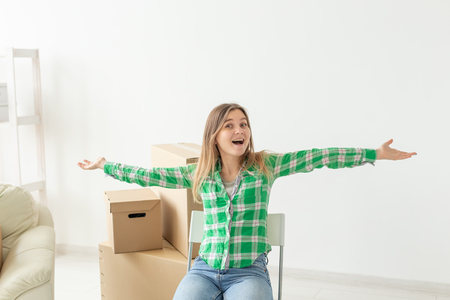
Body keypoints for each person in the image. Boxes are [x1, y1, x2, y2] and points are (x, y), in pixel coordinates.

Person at [78, 103, 416, 300]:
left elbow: (318, 156)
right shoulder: (199, 174)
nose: (240, 130)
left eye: (244, 124)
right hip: (205, 270)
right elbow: (148, 175)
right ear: (215, 136)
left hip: (248, 273)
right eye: (229, 125)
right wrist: (106, 165)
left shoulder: (266, 166)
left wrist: (374, 153)